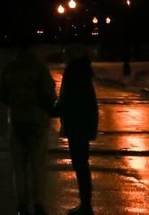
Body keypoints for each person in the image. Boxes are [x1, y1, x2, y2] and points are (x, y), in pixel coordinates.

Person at [0, 31, 57, 215]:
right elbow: (49, 94)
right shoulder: (39, 68)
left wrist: (14, 105)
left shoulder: (9, 68)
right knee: (37, 166)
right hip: (37, 121)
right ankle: (37, 203)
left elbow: (0, 93)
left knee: (19, 167)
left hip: (16, 120)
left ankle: (22, 205)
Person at [53, 44, 99, 215]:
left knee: (80, 164)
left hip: (76, 123)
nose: (64, 56)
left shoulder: (73, 72)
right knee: (82, 163)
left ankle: (86, 206)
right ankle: (86, 204)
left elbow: (68, 99)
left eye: (66, 52)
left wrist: (52, 110)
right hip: (83, 122)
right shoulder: (82, 72)